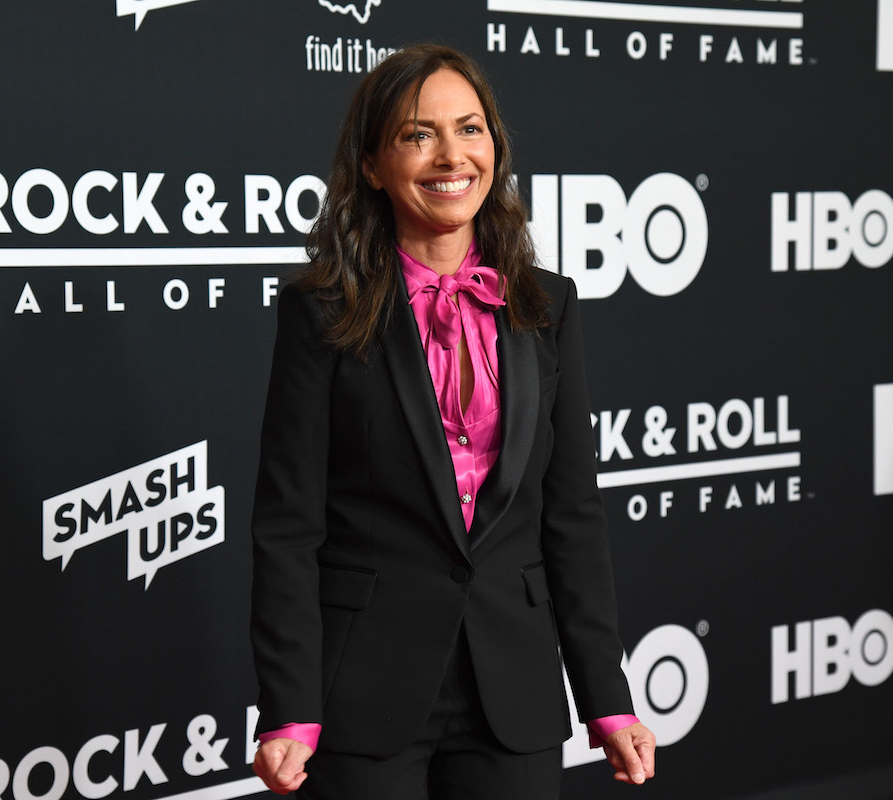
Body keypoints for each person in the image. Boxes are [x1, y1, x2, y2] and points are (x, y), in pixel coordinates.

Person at [250, 44, 655, 799]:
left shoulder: (548, 305)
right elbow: (287, 526)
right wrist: (289, 709)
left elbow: (570, 514)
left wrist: (606, 696)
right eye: (416, 135)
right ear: (371, 164)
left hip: (515, 690)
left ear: (495, 147)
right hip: (365, 690)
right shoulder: (321, 313)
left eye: (469, 129)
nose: (450, 156)